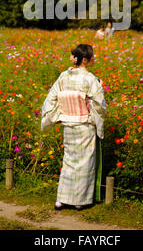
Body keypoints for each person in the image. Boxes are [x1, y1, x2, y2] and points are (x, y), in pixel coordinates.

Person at [41, 44, 106, 211]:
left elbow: (51, 98)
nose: (94, 59)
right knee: (84, 163)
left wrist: (56, 116)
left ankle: (61, 200)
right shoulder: (90, 79)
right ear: (85, 60)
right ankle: (80, 201)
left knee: (69, 161)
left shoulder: (63, 76)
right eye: (92, 56)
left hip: (68, 124)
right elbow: (99, 105)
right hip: (84, 124)